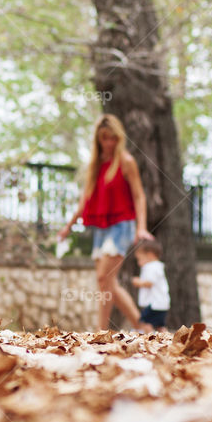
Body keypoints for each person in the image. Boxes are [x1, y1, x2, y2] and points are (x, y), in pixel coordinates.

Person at [58, 114, 154, 331]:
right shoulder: (96, 166)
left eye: (113, 138)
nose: (109, 143)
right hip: (101, 228)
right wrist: (68, 226)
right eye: (104, 138)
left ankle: (102, 331)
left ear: (119, 138)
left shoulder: (126, 162)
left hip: (122, 225)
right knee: (107, 283)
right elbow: (85, 199)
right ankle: (145, 328)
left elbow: (139, 195)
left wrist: (142, 227)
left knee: (104, 277)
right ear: (98, 139)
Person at [132, 239, 169, 332]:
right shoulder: (157, 266)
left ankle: (149, 337)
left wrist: (138, 282)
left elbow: (149, 282)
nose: (138, 263)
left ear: (150, 255)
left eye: (139, 259)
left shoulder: (151, 266)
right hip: (161, 304)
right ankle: (166, 338)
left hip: (154, 304)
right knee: (159, 325)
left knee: (144, 322)